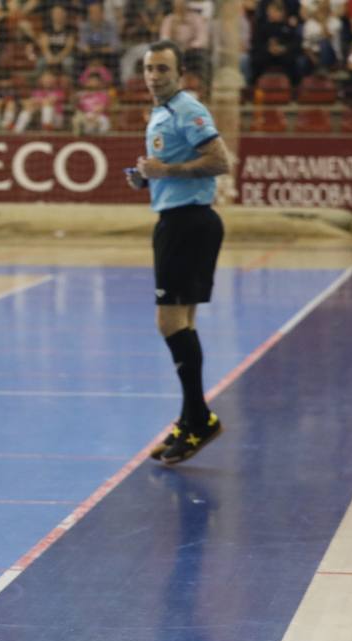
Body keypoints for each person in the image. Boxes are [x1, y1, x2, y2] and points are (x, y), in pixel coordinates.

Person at [125, 39, 230, 464]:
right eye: (149, 69)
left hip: (189, 222)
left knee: (169, 322)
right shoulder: (160, 113)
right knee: (181, 323)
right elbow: (171, 167)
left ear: (179, 73)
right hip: (176, 218)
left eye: (163, 69)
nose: (154, 76)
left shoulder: (187, 109)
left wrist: (165, 171)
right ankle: (190, 420)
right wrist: (147, 178)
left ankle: (200, 418)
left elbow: (220, 160)